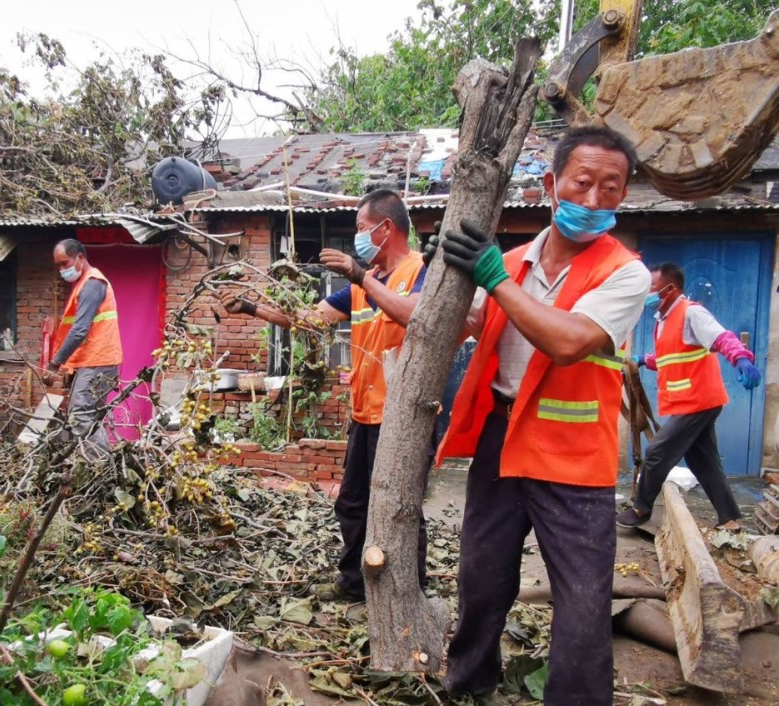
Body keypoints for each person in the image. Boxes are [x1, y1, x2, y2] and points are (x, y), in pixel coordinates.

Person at [429, 126, 650, 704]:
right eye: (582, 183)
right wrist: (437, 287)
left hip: (574, 456)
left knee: (582, 601)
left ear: (623, 194)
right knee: (481, 577)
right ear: (552, 185)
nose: (595, 200)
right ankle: (469, 681)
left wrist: (494, 281)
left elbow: (570, 341)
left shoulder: (625, 272)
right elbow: (465, 323)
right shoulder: (512, 263)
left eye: (610, 188)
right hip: (502, 440)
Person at [220, 188, 428, 601]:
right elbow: (310, 320)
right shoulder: (360, 286)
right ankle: (354, 585)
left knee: (400, 509)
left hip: (404, 416)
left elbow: (415, 315)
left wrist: (360, 276)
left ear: (387, 228)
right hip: (365, 414)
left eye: (362, 228)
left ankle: (409, 594)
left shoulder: (422, 270)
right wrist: (253, 308)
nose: (357, 238)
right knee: (351, 503)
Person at [616, 263, 761, 531]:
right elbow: (672, 358)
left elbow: (721, 337)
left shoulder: (692, 313)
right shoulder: (664, 319)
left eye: (652, 287)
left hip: (698, 401)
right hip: (693, 400)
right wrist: (644, 360)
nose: (647, 292)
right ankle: (729, 519)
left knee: (657, 451)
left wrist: (741, 358)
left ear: (670, 289)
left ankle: (641, 509)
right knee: (703, 461)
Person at [48, 239, 124, 459]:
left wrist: (55, 363)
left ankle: (101, 466)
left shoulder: (92, 284)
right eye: (58, 266)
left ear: (80, 258)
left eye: (65, 263)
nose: (62, 270)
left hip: (97, 361)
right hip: (94, 360)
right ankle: (91, 464)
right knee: (90, 417)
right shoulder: (85, 283)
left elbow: (80, 330)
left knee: (80, 414)